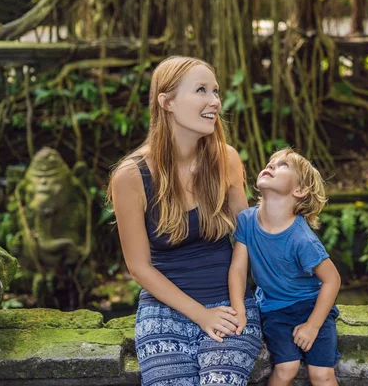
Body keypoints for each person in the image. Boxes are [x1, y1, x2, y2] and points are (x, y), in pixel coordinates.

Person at [107, 56, 262, 386]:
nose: (215, 101)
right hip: (164, 310)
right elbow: (139, 267)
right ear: (167, 102)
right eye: (202, 90)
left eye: (216, 91)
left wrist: (245, 302)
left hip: (230, 304)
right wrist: (200, 315)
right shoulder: (131, 176)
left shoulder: (226, 159)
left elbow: (249, 236)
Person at [226, 147, 342, 386]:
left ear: (299, 190)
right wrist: (239, 310)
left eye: (282, 165)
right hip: (274, 310)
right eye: (271, 162)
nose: (271, 165)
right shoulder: (247, 221)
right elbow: (238, 269)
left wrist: (312, 325)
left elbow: (332, 280)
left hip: (311, 307)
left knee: (322, 374)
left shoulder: (302, 238)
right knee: (285, 369)